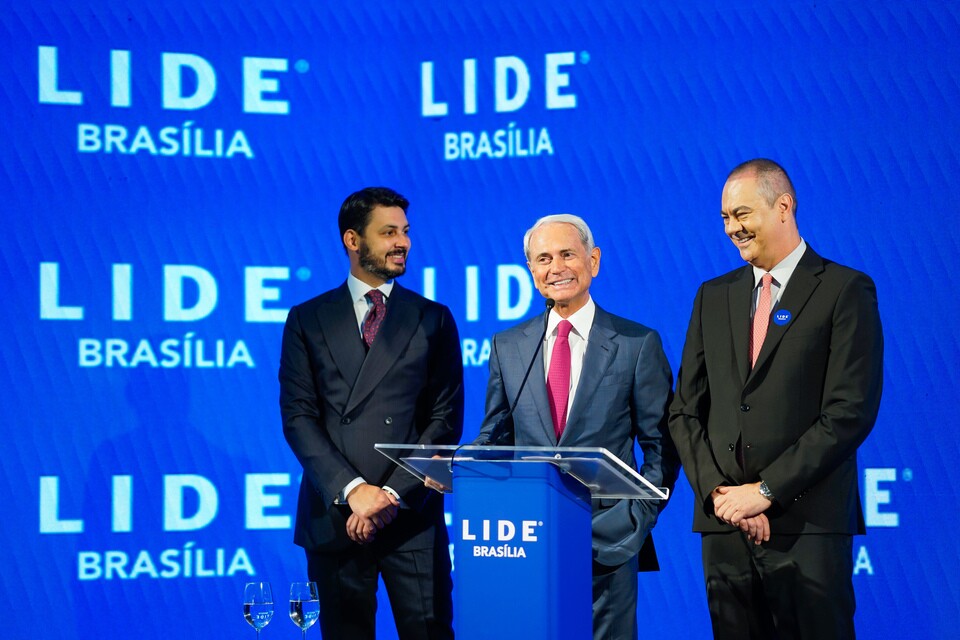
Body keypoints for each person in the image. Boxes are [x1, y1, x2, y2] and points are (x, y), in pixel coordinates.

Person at [669, 159, 884, 639]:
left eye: (742, 214)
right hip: (725, 528)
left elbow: (849, 412)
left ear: (784, 206)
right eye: (725, 217)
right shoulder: (712, 295)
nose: (732, 228)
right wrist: (721, 496)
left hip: (805, 527)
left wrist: (764, 493)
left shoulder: (844, 290)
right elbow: (684, 409)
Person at [473, 214, 676, 640]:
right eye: (543, 258)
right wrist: (461, 466)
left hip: (609, 540)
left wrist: (637, 517)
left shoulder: (637, 344)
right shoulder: (508, 346)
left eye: (567, 254)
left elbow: (663, 447)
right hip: (528, 540)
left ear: (594, 260)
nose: (556, 267)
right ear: (531, 270)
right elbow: (495, 436)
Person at [279, 186, 463, 640]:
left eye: (405, 231)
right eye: (388, 232)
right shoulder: (307, 318)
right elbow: (298, 417)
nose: (403, 242)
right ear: (353, 240)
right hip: (336, 515)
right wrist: (354, 490)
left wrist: (390, 496)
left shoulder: (432, 318)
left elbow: (445, 420)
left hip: (412, 516)